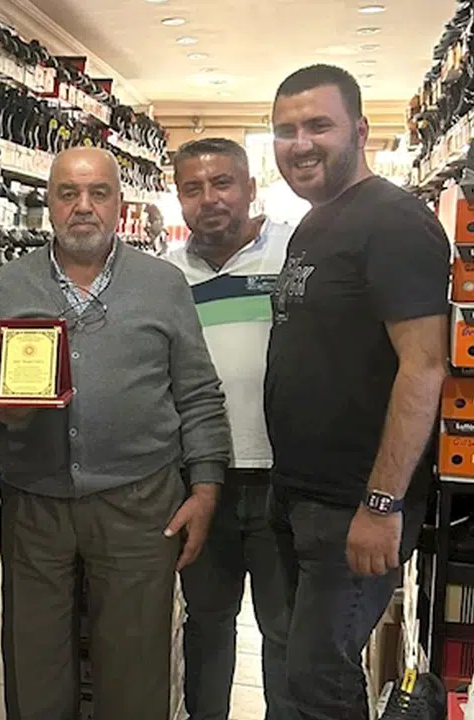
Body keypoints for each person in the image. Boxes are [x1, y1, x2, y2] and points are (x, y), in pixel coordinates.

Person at [0, 146, 231, 720]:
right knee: (34, 661)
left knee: (135, 665)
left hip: (141, 502)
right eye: (68, 193)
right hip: (34, 503)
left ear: (118, 204)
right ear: (49, 203)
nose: (82, 206)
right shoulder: (10, 283)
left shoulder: (161, 284)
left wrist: (206, 486)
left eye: (98, 193)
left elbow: (198, 393)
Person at [266, 65, 449, 720]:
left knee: (321, 683)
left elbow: (424, 366)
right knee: (300, 674)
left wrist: (381, 502)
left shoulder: (395, 222)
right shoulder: (317, 223)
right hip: (300, 495)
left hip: (352, 505)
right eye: (285, 130)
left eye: (319, 125)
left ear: (361, 131)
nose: (300, 144)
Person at [166, 137, 296, 720]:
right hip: (202, 479)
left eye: (222, 183)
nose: (209, 199)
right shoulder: (167, 276)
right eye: (192, 188)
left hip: (281, 478)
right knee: (207, 623)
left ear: (250, 188)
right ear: (179, 198)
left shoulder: (294, 253)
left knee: (285, 629)